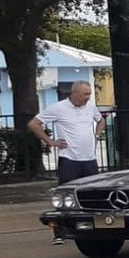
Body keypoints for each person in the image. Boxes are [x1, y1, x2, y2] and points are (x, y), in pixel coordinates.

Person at [29, 81, 104, 245]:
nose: (88, 97)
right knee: (65, 195)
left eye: (89, 94)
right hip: (70, 158)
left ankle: (94, 228)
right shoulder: (59, 108)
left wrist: (96, 136)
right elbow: (34, 124)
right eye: (85, 94)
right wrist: (50, 141)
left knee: (94, 195)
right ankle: (60, 232)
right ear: (74, 93)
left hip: (89, 158)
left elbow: (100, 121)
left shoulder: (90, 107)